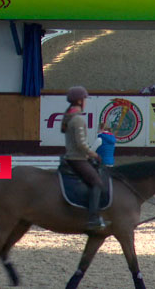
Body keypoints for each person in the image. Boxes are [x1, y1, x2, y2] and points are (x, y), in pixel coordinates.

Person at [58, 86, 106, 231]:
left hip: (74, 157)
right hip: (77, 158)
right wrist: (94, 154)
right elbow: (81, 144)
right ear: (79, 101)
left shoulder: (71, 117)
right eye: (84, 99)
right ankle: (93, 218)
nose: (85, 101)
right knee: (97, 183)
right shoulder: (77, 119)